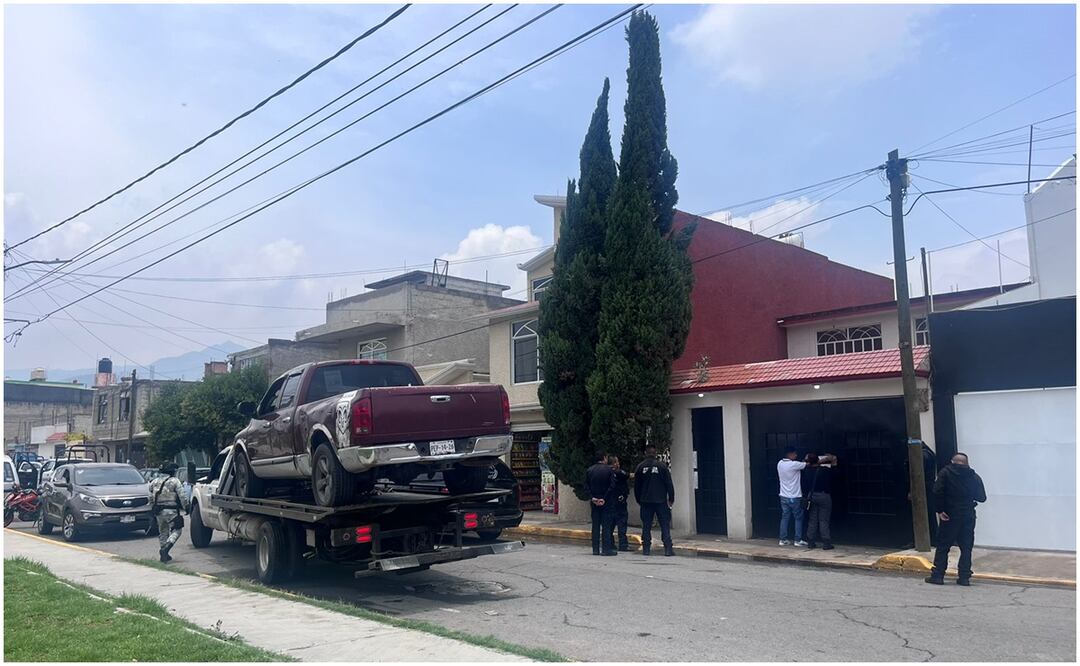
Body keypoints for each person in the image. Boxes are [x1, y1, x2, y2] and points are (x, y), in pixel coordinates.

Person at [925, 453, 986, 586]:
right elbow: (982, 497)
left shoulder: (945, 473)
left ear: (952, 461)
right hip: (968, 514)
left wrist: (940, 510)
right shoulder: (973, 476)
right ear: (967, 463)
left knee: (943, 546)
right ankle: (964, 577)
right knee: (966, 547)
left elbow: (937, 491)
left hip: (949, 514)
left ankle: (938, 575)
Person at [634, 443, 675, 556]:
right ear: (655, 453)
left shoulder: (640, 467)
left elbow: (637, 487)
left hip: (646, 501)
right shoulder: (662, 467)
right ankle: (668, 548)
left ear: (646, 453)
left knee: (646, 525)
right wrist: (671, 498)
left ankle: (646, 548)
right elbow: (669, 484)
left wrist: (639, 500)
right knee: (664, 524)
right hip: (660, 501)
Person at [149, 462, 191, 563]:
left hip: (159, 511)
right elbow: (182, 496)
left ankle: (164, 556)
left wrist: (153, 509)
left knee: (163, 532)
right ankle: (166, 549)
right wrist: (186, 507)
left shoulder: (153, 482)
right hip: (171, 511)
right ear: (172, 471)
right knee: (177, 530)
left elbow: (150, 497)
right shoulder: (174, 481)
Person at [803, 453, 838, 550]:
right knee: (823, 520)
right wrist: (826, 459)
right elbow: (834, 465)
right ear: (818, 460)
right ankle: (826, 542)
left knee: (812, 519)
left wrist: (814, 460)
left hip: (812, 495)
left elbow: (804, 461)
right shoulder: (825, 470)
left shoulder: (806, 470)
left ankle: (810, 541)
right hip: (823, 495)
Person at [585, 452, 617, 556]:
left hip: (594, 502)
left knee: (595, 526)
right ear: (604, 458)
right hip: (606, 503)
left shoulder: (590, 470)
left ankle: (595, 549)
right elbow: (612, 486)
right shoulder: (609, 470)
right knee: (606, 526)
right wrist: (604, 498)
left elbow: (586, 486)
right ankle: (606, 549)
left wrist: (593, 498)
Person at [777, 447, 808, 546]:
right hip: (795, 496)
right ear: (789, 454)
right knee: (798, 518)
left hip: (783, 495)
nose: (796, 455)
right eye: (794, 454)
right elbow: (808, 464)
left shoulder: (780, 464)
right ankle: (798, 540)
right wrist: (807, 458)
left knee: (785, 517)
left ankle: (783, 539)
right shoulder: (794, 464)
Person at [609, 456, 631, 552]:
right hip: (619, 502)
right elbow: (629, 475)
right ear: (614, 463)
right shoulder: (618, 472)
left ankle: (610, 543)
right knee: (622, 523)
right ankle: (623, 545)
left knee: (610, 524)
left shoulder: (606, 472)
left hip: (610, 502)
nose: (618, 464)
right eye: (617, 462)